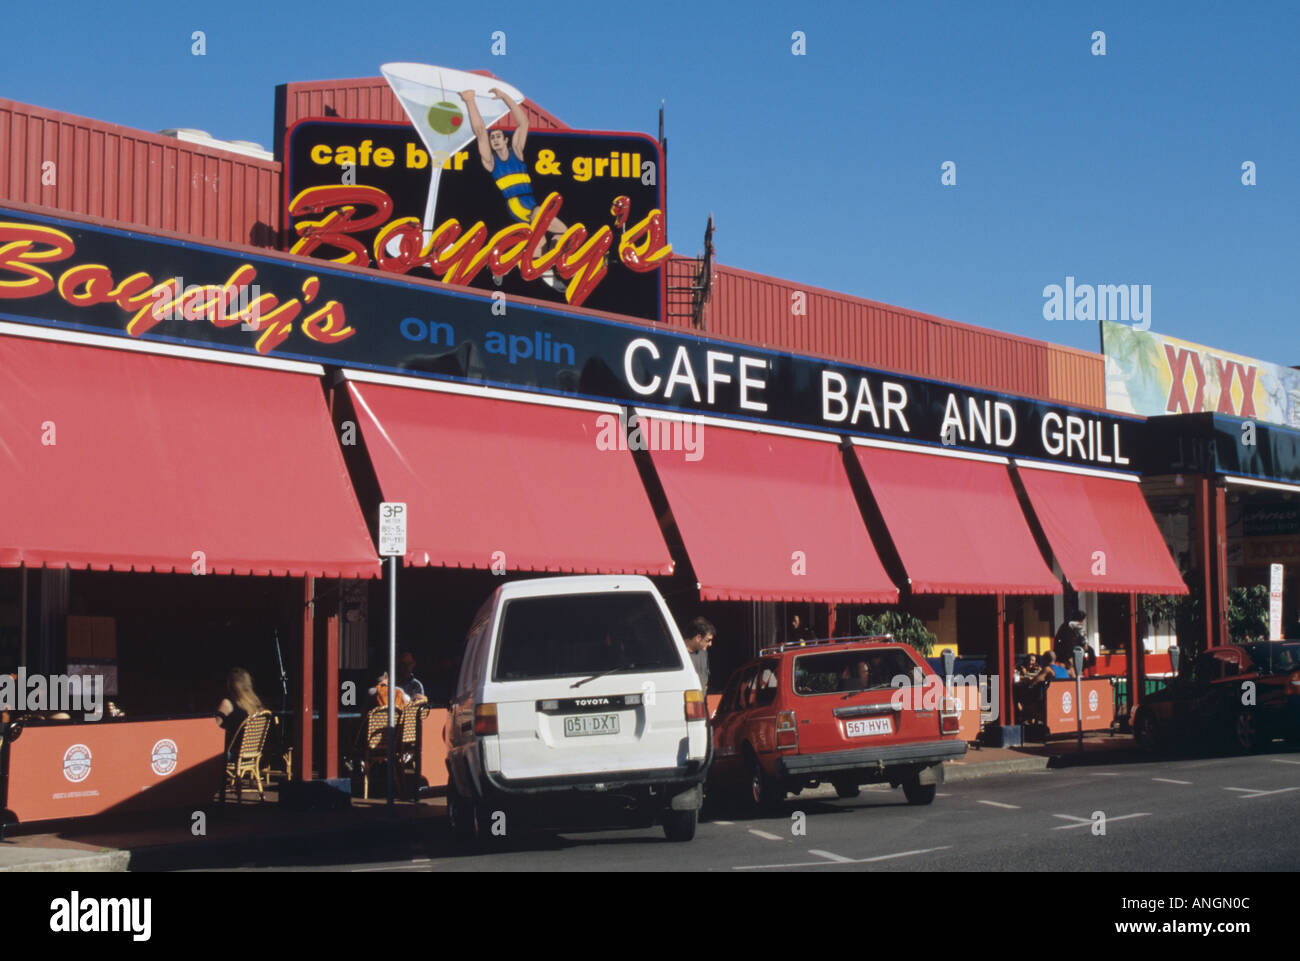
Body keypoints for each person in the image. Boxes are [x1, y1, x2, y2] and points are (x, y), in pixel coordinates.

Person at [460, 87, 568, 269]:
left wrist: (505, 97)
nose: (494, 140)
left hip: (530, 202)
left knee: (557, 235)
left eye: (497, 137)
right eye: (492, 137)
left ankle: (542, 265)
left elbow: (524, 123)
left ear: (505, 140)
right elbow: (479, 131)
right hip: (517, 204)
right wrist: (470, 101)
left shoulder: (517, 151)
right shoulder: (491, 162)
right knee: (539, 213)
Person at [216, 667, 265, 746]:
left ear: (230, 684)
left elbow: (213, 729)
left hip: (232, 753)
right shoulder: (258, 707)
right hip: (253, 753)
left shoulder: (227, 704)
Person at [683, 617, 715, 695]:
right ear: (698, 638)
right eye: (708, 640)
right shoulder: (678, 653)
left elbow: (705, 681)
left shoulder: (704, 654)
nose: (710, 644)